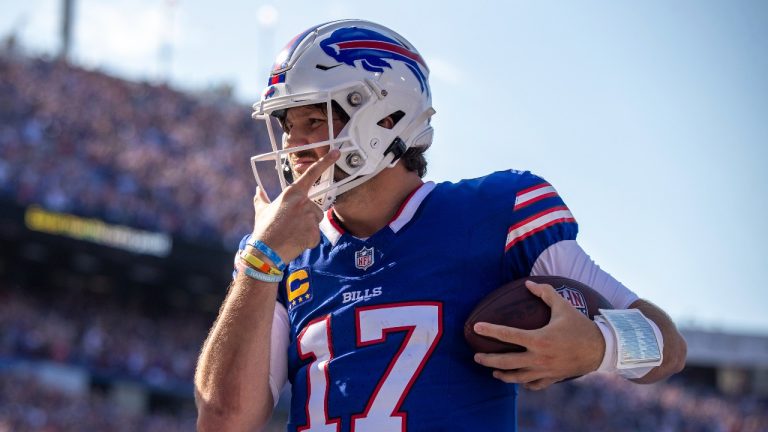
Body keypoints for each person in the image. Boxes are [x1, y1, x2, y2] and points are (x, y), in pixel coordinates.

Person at [195, 19, 687, 431]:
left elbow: (665, 343)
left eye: (314, 121)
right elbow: (223, 421)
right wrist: (259, 262)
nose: (294, 147)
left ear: (385, 118)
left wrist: (600, 346)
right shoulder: (277, 254)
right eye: (286, 126)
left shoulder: (498, 211)